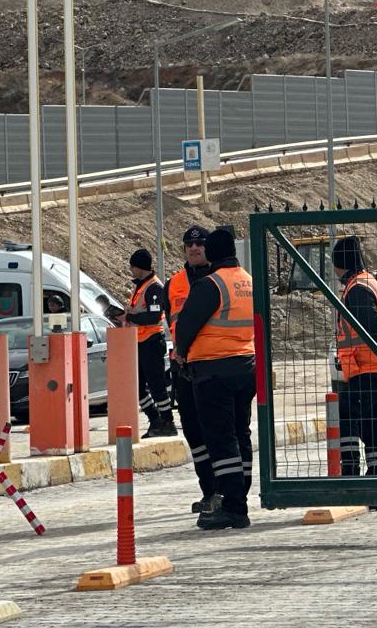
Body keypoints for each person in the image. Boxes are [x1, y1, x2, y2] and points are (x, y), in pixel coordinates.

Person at [173, 226, 255, 530]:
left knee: (221, 440)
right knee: (240, 434)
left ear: (211, 251)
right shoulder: (248, 281)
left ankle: (233, 506)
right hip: (246, 366)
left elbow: (185, 327)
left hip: (213, 370)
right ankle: (240, 495)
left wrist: (181, 353)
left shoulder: (210, 284)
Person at [332, 235, 377, 505]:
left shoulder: (356, 289)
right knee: (373, 427)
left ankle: (353, 478)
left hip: (364, 367)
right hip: (374, 368)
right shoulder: (370, 282)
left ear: (340, 264)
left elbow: (371, 323)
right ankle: (376, 482)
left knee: (350, 422)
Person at [166, 226, 215, 511]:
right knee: (194, 434)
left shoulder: (218, 279)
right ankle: (208, 490)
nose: (195, 248)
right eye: (189, 245)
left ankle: (225, 490)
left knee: (218, 431)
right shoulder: (175, 283)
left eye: (200, 244)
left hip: (212, 364)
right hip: (183, 367)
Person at [116, 249, 176, 438]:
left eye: (132, 266)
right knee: (138, 385)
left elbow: (154, 316)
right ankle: (155, 420)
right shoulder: (140, 287)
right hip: (139, 342)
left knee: (156, 384)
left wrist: (130, 316)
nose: (130, 270)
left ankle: (167, 422)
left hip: (151, 341)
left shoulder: (154, 287)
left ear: (138, 267)